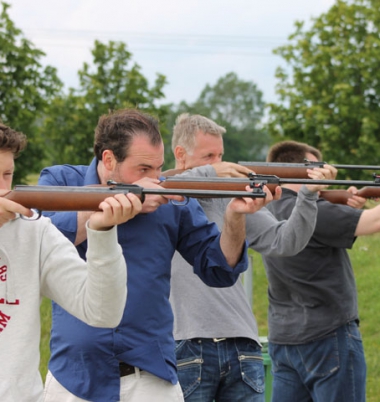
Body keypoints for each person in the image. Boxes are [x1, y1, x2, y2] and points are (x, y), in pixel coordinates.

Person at [38, 108, 272, 402]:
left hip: (151, 378)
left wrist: (235, 217)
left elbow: (219, 269)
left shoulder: (172, 199)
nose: (156, 178)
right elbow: (41, 241)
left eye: (159, 168)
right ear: (109, 160)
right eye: (144, 169)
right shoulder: (60, 181)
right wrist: (116, 203)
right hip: (74, 378)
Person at [168, 113, 335, 402]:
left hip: (242, 345)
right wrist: (211, 174)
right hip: (186, 343)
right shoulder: (164, 197)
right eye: (210, 156)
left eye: (221, 156)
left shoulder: (229, 197)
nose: (220, 164)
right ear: (180, 155)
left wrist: (308, 196)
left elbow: (284, 242)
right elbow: (160, 184)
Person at [0, 123, 141, 401]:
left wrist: (101, 232)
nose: (3, 187)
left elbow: (102, 312)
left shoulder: (34, 230)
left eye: (7, 175)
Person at [262, 140, 380, 402]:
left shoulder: (266, 209)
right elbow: (375, 221)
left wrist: (346, 201)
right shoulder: (310, 212)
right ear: (305, 172)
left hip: (283, 339)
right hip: (328, 335)